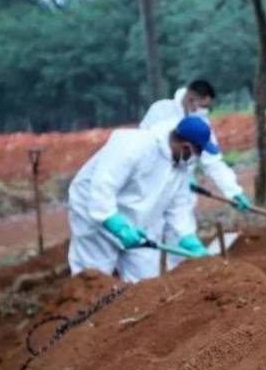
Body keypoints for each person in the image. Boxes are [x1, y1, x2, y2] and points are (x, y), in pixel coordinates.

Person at [67, 116, 215, 283]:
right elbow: (103, 185)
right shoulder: (135, 145)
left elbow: (177, 206)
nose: (199, 157)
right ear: (186, 146)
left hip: (138, 223)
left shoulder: (181, 167)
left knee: (145, 283)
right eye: (199, 152)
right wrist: (116, 225)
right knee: (94, 277)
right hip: (97, 215)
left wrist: (188, 238)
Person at [140, 79, 251, 270]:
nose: (206, 111)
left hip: (181, 189)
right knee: (149, 243)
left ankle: (180, 279)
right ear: (191, 99)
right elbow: (145, 148)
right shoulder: (161, 111)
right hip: (154, 187)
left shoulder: (201, 123)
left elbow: (213, 161)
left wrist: (233, 191)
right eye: (204, 106)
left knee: (182, 238)